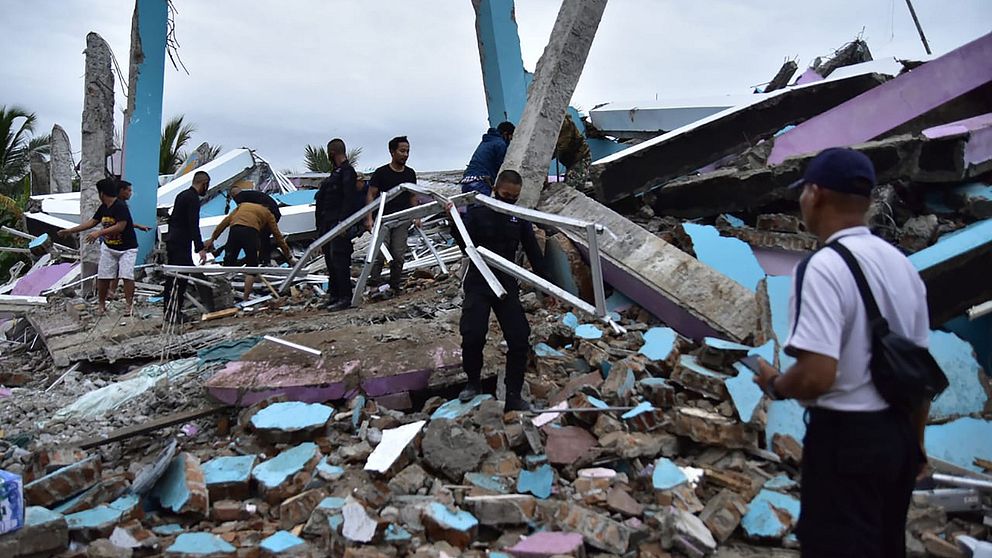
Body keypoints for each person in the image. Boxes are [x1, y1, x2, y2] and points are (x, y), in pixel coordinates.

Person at [753, 148, 929, 558]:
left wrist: (776, 383)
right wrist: (916, 447)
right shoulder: (902, 266)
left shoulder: (822, 268)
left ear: (814, 195)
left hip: (847, 441)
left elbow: (817, 374)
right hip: (897, 438)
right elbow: (920, 375)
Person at [457, 169, 550, 412]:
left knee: (519, 338)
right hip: (479, 281)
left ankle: (513, 396)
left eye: (514, 197)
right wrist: (451, 220)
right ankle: (473, 383)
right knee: (473, 334)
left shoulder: (518, 217)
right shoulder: (479, 211)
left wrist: (548, 285)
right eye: (505, 195)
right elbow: (464, 243)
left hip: (506, 284)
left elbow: (533, 251)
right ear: (496, 189)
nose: (509, 200)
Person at [57, 177, 138, 315]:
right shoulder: (103, 208)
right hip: (109, 247)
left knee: (126, 275)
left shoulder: (120, 206)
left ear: (101, 193)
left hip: (127, 248)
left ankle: (129, 305)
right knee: (104, 276)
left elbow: (120, 226)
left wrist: (99, 233)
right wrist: (70, 230)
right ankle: (101, 305)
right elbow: (91, 223)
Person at [200, 202, 294, 301]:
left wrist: (213, 238)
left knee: (228, 264)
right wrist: (289, 256)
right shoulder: (268, 214)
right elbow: (278, 236)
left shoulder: (242, 206)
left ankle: (226, 295)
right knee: (252, 269)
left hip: (234, 231)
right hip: (251, 234)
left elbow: (225, 222)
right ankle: (245, 299)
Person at [315, 138, 362, 311]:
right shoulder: (334, 174)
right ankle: (334, 294)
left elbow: (349, 198)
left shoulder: (347, 172)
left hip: (339, 222)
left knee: (339, 259)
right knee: (330, 259)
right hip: (328, 223)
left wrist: (344, 223)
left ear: (332, 153)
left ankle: (345, 297)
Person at [366, 136, 418, 293]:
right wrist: (369, 218)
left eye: (407, 151)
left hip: (402, 218)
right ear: (392, 152)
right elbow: (371, 195)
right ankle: (374, 284)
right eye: (402, 151)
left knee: (398, 254)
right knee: (380, 253)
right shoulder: (381, 173)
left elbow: (413, 196)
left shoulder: (410, 174)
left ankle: (395, 286)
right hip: (383, 219)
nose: (405, 154)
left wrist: (417, 215)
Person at [163, 171, 210, 323]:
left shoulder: (182, 195)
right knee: (181, 277)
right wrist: (200, 248)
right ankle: (174, 313)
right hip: (181, 242)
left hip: (173, 240)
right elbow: (193, 224)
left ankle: (169, 311)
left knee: (173, 277)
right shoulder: (193, 199)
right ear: (204, 183)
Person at [107, 181, 152, 299]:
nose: (130, 193)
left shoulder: (119, 204)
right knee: (125, 273)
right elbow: (118, 224)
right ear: (122, 190)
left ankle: (112, 291)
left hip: (120, 243)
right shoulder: (118, 205)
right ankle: (124, 299)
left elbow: (124, 222)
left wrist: (138, 226)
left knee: (118, 269)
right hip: (123, 243)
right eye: (129, 190)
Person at [229, 184, 281, 265]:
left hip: (270, 213)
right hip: (274, 211)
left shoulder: (240, 198)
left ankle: (262, 260)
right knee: (263, 236)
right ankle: (263, 259)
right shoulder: (250, 195)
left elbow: (243, 213)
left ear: (233, 196)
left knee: (261, 237)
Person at [460, 121, 514, 196]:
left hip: (467, 182)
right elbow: (500, 169)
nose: (510, 142)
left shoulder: (487, 141)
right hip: (480, 183)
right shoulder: (500, 144)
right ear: (505, 134)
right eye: (510, 138)